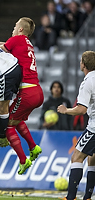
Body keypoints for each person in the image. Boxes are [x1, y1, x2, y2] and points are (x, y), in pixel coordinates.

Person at [0, 17, 44, 175]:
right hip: (37, 90)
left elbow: (0, 49)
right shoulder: (26, 42)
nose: (13, 28)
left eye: (15, 25)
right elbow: (3, 45)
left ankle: (23, 160)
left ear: (20, 29)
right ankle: (33, 147)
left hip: (27, 91)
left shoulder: (16, 39)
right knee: (16, 119)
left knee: (7, 123)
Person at [57, 50, 95, 200]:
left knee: (77, 157)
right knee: (92, 158)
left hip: (94, 127)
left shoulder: (88, 81)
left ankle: (71, 197)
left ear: (83, 64)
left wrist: (66, 110)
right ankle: (87, 197)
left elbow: (81, 109)